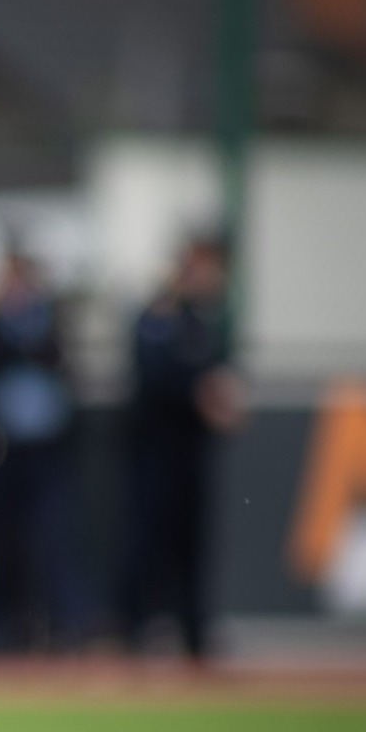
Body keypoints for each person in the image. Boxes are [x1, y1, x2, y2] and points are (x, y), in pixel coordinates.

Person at [0, 243, 84, 653]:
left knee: (49, 539)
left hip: (43, 449)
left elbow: (61, 366)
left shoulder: (48, 323)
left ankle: (56, 625)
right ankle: (2, 627)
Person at [120, 238, 243, 660]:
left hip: (194, 450)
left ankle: (195, 628)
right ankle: (140, 624)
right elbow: (154, 371)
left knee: (194, 541)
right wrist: (199, 393)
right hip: (155, 449)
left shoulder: (208, 320)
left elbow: (222, 373)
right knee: (149, 538)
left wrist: (220, 398)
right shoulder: (159, 316)